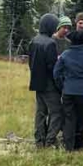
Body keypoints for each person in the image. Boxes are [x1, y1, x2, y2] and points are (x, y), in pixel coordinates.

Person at [53, 30, 83, 151]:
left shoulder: (65, 54)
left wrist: (62, 86)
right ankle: (79, 142)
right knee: (81, 117)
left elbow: (56, 73)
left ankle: (69, 146)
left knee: (69, 118)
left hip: (68, 91)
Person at [28, 13, 63, 148]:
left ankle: (39, 141)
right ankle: (50, 140)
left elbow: (31, 63)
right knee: (56, 112)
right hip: (49, 84)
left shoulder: (33, 41)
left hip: (37, 82)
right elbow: (53, 67)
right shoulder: (50, 43)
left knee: (40, 112)